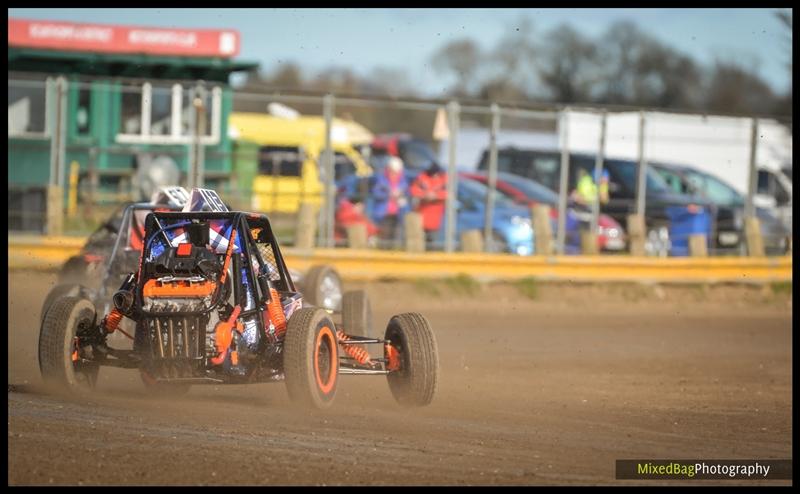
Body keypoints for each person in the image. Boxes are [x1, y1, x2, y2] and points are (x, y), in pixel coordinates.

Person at [370, 156, 409, 248]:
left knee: (396, 234)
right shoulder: (381, 179)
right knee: (384, 233)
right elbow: (376, 192)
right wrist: (388, 195)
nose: (395, 173)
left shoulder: (403, 179)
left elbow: (408, 192)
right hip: (384, 212)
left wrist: (400, 194)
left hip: (398, 211)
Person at [409, 160, 448, 245]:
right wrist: (424, 195)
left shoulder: (444, 179)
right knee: (419, 239)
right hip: (422, 213)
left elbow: (449, 193)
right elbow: (413, 190)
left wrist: (436, 195)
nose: (434, 175)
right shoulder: (422, 177)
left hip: (436, 215)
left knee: (432, 240)